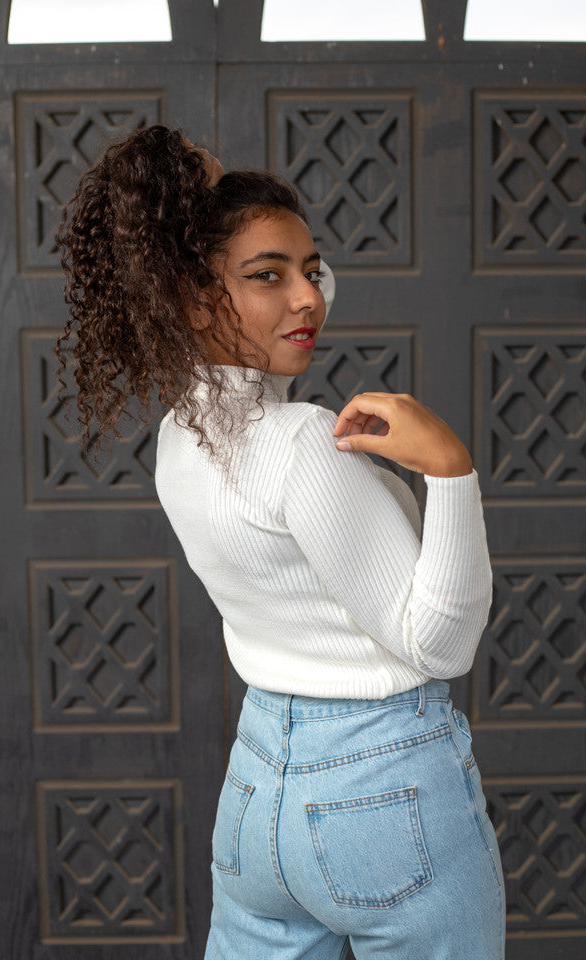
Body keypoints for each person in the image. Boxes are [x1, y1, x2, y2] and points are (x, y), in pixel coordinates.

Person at [57, 124, 505, 960]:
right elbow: (442, 645)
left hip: (259, 792)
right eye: (268, 276)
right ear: (194, 297)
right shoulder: (300, 443)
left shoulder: (178, 439)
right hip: (384, 791)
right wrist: (450, 470)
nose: (308, 298)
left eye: (311, 270)